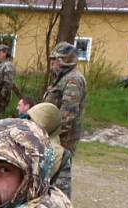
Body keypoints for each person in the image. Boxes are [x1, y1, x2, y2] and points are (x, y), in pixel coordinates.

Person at [42, 42, 87, 199]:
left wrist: (51, 135)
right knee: (51, 174)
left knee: (61, 176)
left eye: (54, 60)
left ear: (63, 61)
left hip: (62, 139)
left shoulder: (73, 80)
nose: (52, 63)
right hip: (54, 136)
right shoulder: (62, 78)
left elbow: (67, 115)